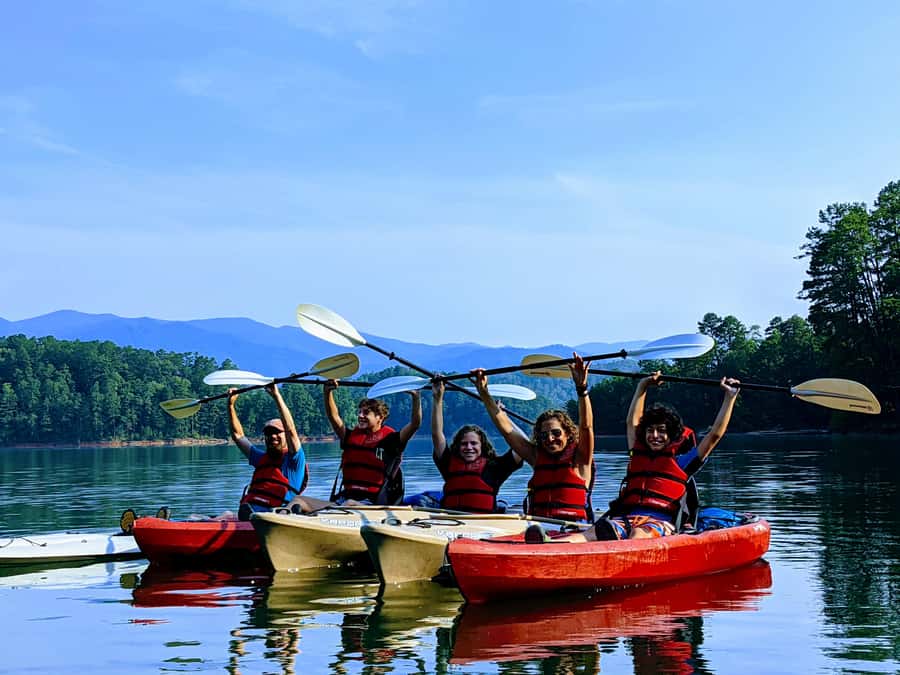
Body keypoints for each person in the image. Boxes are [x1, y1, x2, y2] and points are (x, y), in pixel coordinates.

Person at [564, 371, 741, 542]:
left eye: (661, 431)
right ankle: (554, 549)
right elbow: (632, 422)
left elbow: (714, 435)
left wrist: (730, 398)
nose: (654, 435)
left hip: (659, 523)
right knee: (594, 532)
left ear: (671, 435)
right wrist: (643, 386)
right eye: (650, 430)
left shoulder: (682, 462)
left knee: (638, 534)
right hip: (626, 519)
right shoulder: (637, 451)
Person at [473, 353, 594, 524]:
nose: (550, 439)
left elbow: (586, 426)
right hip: (539, 526)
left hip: (572, 528)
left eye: (556, 433)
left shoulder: (581, 458)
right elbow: (507, 430)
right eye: (544, 435)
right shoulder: (536, 456)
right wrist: (484, 393)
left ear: (568, 433)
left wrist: (582, 389)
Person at [291, 381, 422, 511]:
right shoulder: (349, 436)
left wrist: (416, 397)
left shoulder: (392, 440)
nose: (360, 416)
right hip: (343, 502)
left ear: (380, 417)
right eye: (359, 412)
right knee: (298, 500)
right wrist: (327, 392)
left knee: (349, 504)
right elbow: (333, 417)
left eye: (365, 413)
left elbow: (415, 424)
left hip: (372, 504)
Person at [428, 380, 524, 513]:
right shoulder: (448, 463)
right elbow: (436, 434)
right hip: (449, 522)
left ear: (482, 446)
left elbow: (522, 445)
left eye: (474, 443)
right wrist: (437, 399)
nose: (469, 447)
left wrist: (503, 417)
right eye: (464, 443)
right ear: (458, 446)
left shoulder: (495, 467)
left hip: (482, 525)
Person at [228, 383, 307, 521]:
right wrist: (230, 406)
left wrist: (276, 396)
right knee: (216, 516)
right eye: (269, 433)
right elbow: (238, 435)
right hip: (249, 515)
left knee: (260, 517)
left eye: (277, 432)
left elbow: (291, 431)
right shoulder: (260, 459)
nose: (272, 436)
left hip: (274, 519)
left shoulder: (293, 460)